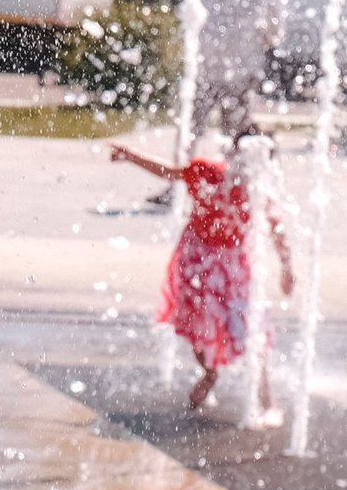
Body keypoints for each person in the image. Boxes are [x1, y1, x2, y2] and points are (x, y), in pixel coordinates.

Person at [108, 133, 294, 414]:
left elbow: (278, 232)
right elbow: (170, 173)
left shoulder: (260, 192)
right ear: (233, 154)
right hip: (197, 258)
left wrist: (287, 269)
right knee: (197, 324)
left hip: (233, 264)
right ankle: (209, 373)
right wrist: (131, 156)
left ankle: (268, 401)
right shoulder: (207, 170)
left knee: (250, 326)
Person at [194, 0, 283, 142]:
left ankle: (230, 174)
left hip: (243, 75)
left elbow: (275, 34)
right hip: (207, 71)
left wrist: (261, 36)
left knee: (236, 136)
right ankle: (182, 171)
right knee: (192, 128)